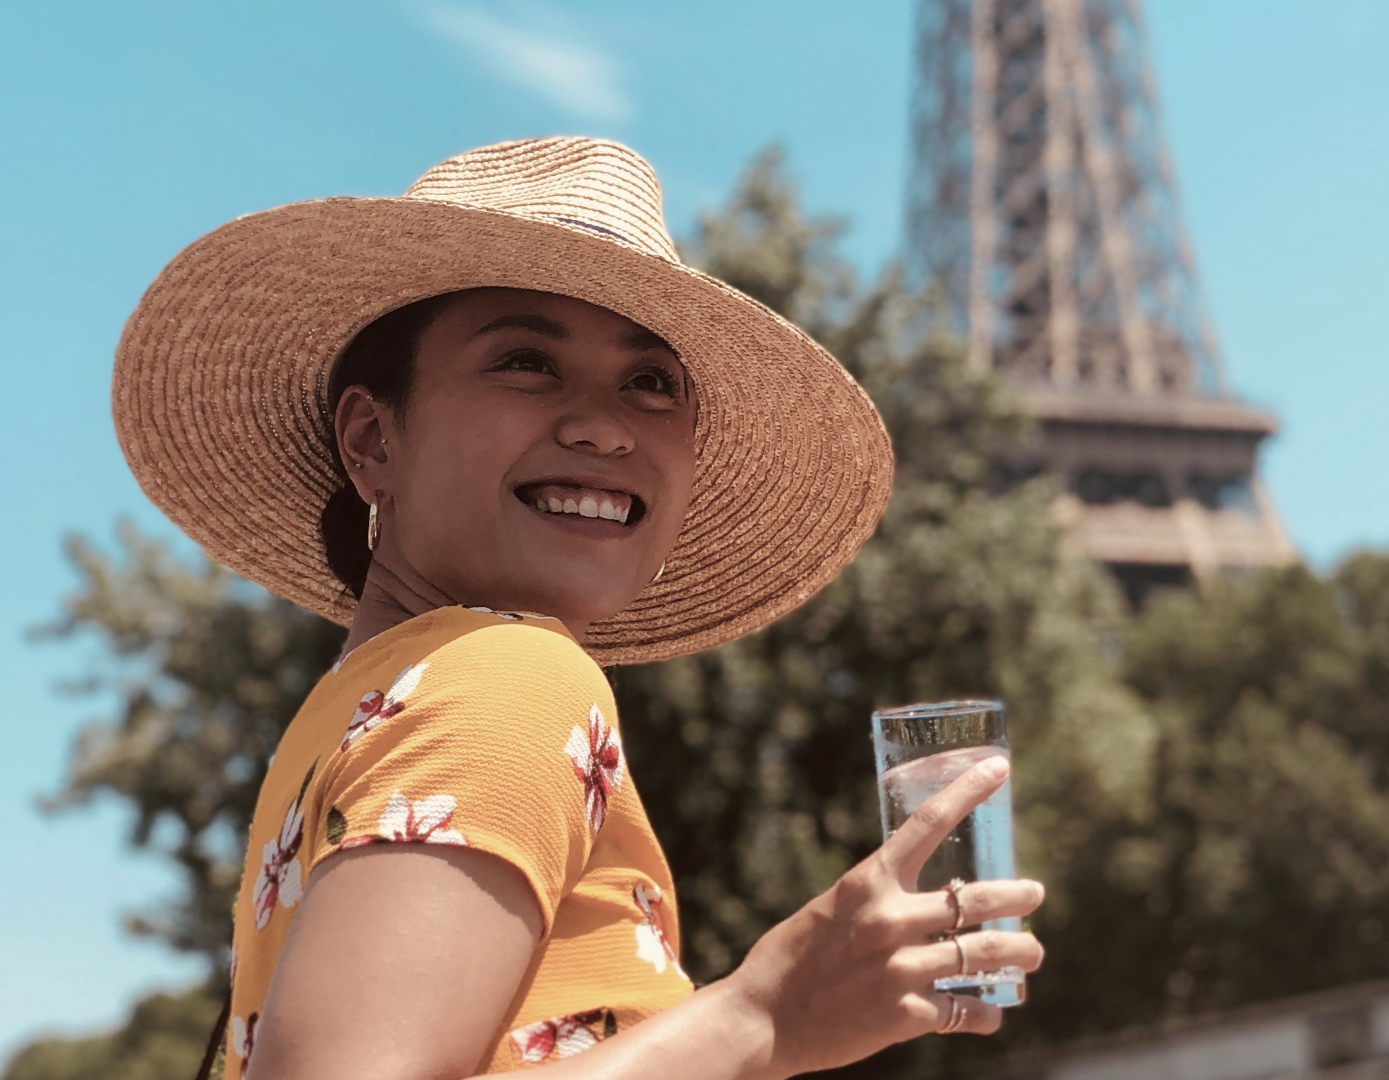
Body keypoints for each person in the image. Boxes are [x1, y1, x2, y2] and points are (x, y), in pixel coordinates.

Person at [112, 137, 1045, 1080]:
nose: (603, 424)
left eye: (651, 383)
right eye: (525, 362)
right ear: (370, 438)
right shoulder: (510, 675)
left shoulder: (352, 720)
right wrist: (763, 1017)